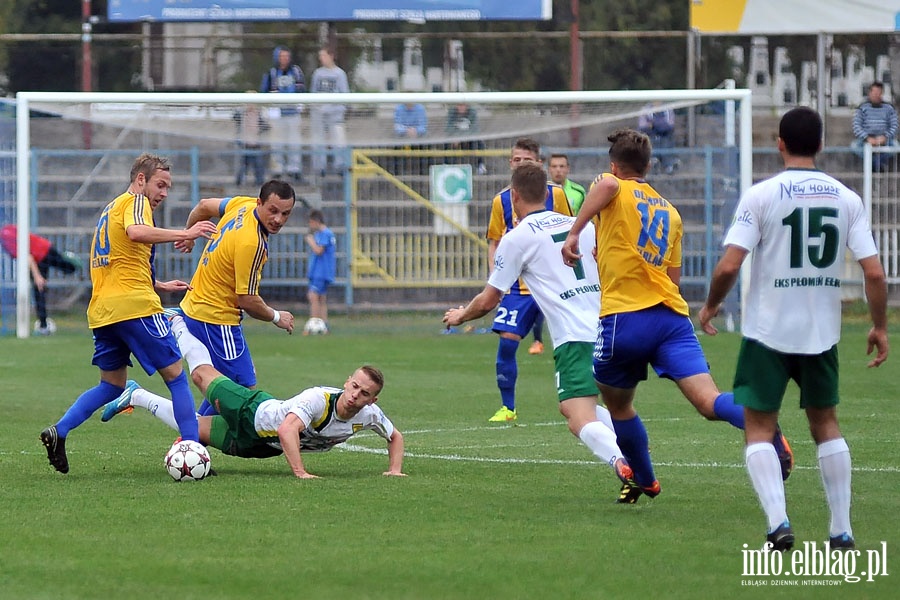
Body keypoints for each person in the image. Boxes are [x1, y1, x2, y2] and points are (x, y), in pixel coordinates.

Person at [561, 130, 793, 503]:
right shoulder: (670, 211)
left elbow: (605, 186)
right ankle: (761, 420)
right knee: (708, 401)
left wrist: (575, 234)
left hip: (625, 317)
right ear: (649, 166)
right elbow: (673, 279)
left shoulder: (611, 185)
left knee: (618, 405)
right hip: (672, 318)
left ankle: (646, 479)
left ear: (614, 165)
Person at [699, 107, 889, 551]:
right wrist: (879, 325)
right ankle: (841, 531)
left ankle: (778, 525)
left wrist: (710, 305)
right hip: (821, 332)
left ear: (779, 143)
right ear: (821, 145)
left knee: (759, 428)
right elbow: (876, 275)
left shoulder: (762, 195)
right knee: (826, 424)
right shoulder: (846, 197)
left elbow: (730, 263)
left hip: (768, 331)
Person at [444, 162, 635, 491]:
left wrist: (461, 316)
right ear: (548, 193)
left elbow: (490, 299)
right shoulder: (583, 226)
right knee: (582, 407)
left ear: (514, 196)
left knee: (578, 415)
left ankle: (623, 460)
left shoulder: (517, 238)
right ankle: (633, 447)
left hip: (575, 338)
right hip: (613, 327)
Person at [39, 153, 218, 474]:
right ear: (140, 180)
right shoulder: (136, 202)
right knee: (177, 376)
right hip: (134, 306)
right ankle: (192, 449)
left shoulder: (111, 209)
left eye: (168, 187)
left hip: (103, 311)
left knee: (112, 385)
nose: (163, 193)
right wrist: (185, 233)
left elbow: (120, 257)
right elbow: (136, 233)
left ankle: (59, 430)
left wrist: (159, 284)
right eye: (160, 185)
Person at [102, 314, 405, 479]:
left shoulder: (370, 416)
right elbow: (287, 429)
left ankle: (137, 395)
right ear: (347, 382)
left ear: (372, 400)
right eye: (354, 386)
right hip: (252, 410)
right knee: (200, 375)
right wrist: (300, 473)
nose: (355, 395)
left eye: (364, 393)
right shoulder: (318, 399)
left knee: (195, 428)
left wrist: (394, 470)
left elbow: (395, 437)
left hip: (258, 445)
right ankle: (177, 322)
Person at [175, 180, 297, 417]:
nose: (278, 219)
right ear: (260, 202)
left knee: (232, 389)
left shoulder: (243, 204)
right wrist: (276, 316)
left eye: (286, 214)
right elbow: (247, 300)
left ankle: (191, 441)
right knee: (241, 391)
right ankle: (188, 437)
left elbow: (202, 206)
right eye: (273, 211)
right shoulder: (252, 243)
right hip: (216, 318)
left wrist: (188, 234)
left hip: (198, 306)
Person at [485, 137, 572, 423]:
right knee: (508, 343)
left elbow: (568, 232)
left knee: (574, 340)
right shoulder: (501, 200)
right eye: (516, 160)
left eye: (526, 160)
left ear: (538, 163)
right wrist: (496, 279)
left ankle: (580, 399)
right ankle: (508, 407)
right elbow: (495, 241)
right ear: (510, 163)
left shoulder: (556, 195)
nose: (520, 164)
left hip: (552, 282)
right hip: (518, 287)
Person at [0, 224, 82, 335]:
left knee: (69, 269)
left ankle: (69, 257)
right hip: (41, 252)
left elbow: (27, 256)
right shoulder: (7, 229)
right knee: (39, 292)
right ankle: (43, 325)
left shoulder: (6, 239)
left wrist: (37, 276)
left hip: (42, 253)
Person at [261, 46, 305, 182]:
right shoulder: (272, 73)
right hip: (277, 113)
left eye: (287, 56)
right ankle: (277, 168)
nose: (284, 59)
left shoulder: (296, 72)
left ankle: (294, 168)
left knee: (294, 142)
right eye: (282, 56)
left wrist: (300, 104)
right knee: (276, 143)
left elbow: (302, 89)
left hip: (293, 113)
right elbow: (264, 91)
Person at [309, 47, 350, 178]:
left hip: (335, 114)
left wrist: (336, 109)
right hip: (320, 115)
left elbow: (345, 94)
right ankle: (319, 167)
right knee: (318, 140)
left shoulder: (340, 74)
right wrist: (317, 108)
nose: (321, 58)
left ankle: (340, 166)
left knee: (338, 139)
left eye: (324, 55)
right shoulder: (317, 74)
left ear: (331, 56)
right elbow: (313, 93)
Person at [851, 81, 898, 172]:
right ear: (870, 93)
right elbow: (856, 126)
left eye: (879, 93)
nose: (876, 95)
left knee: (896, 145)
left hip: (884, 138)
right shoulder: (862, 107)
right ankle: (877, 164)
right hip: (867, 139)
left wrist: (885, 137)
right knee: (854, 146)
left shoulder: (889, 108)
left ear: (882, 94)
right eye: (874, 92)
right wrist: (867, 138)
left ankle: (875, 164)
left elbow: (894, 126)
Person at [305, 209, 336, 331]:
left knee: (313, 296)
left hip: (321, 271)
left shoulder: (325, 233)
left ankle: (314, 324)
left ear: (316, 221)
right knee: (321, 298)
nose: (310, 225)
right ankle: (324, 325)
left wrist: (311, 241)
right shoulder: (321, 234)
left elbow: (319, 250)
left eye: (311, 222)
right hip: (317, 271)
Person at [233, 91, 270, 188]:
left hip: (256, 143)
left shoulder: (259, 113)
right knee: (243, 164)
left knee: (258, 163)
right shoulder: (242, 113)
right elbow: (235, 119)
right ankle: (239, 181)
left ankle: (259, 181)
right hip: (244, 143)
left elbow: (265, 126)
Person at [638, 101, 680, 175]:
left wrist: (653, 124)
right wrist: (659, 124)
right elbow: (643, 127)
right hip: (651, 136)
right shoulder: (645, 110)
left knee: (666, 141)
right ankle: (654, 163)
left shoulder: (668, 109)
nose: (657, 102)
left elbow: (669, 126)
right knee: (650, 141)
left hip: (665, 136)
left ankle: (668, 165)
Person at [445, 103, 487, 175]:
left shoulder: (472, 112)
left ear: (467, 105)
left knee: (479, 143)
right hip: (455, 138)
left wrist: (464, 137)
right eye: (459, 105)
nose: (461, 107)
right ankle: (447, 165)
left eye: (463, 105)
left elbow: (475, 129)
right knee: (447, 143)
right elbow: (448, 128)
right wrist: (456, 136)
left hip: (469, 138)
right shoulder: (452, 112)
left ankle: (480, 165)